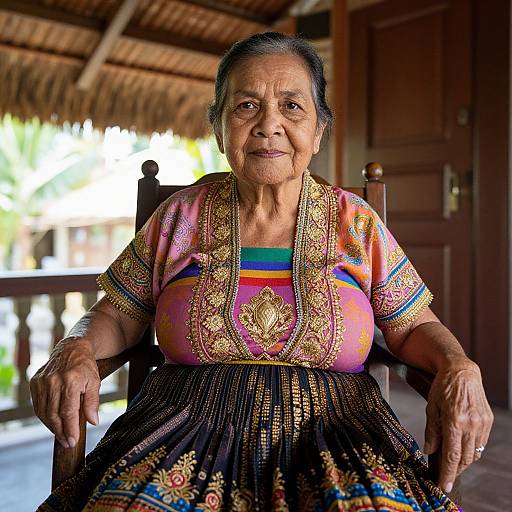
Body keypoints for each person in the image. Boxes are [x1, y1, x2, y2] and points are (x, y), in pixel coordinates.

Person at [33, 32, 492, 512]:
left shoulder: (354, 222)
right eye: (246, 106)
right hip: (180, 432)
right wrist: (76, 348)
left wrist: (459, 366)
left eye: (292, 106)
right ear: (218, 129)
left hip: (338, 435)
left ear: (317, 132)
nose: (268, 124)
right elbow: (118, 315)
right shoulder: (179, 215)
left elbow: (412, 324)